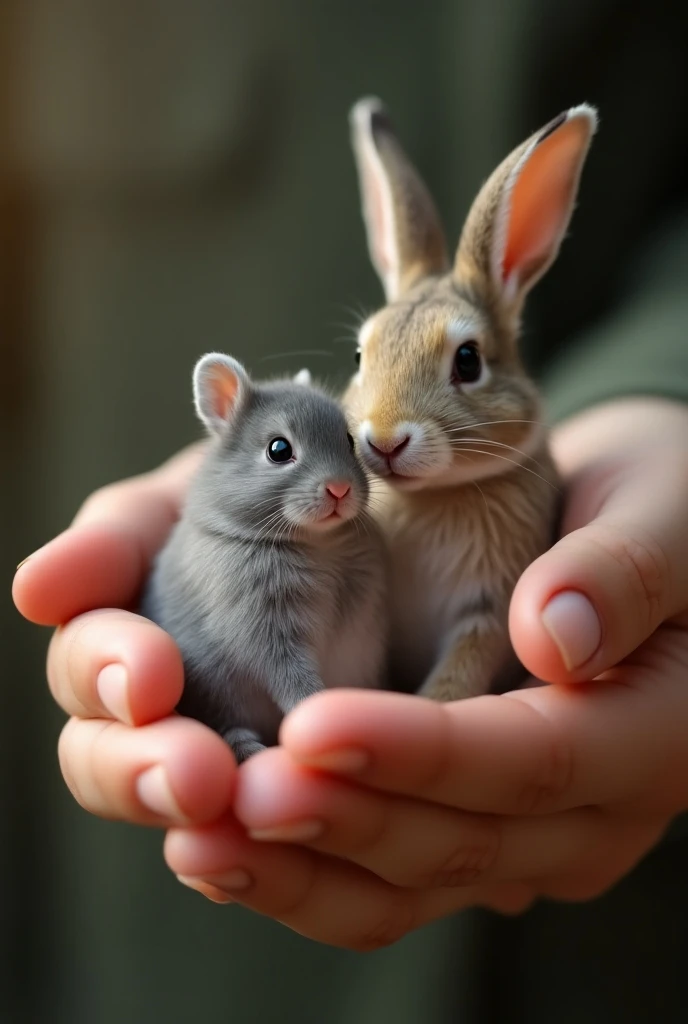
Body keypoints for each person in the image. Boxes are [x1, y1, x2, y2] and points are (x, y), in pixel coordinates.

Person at [6, 1, 688, 1022]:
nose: (383, 429)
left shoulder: (518, 484)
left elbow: (481, 627)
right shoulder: (344, 466)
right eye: (369, 365)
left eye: (455, 366)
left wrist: (663, 388)